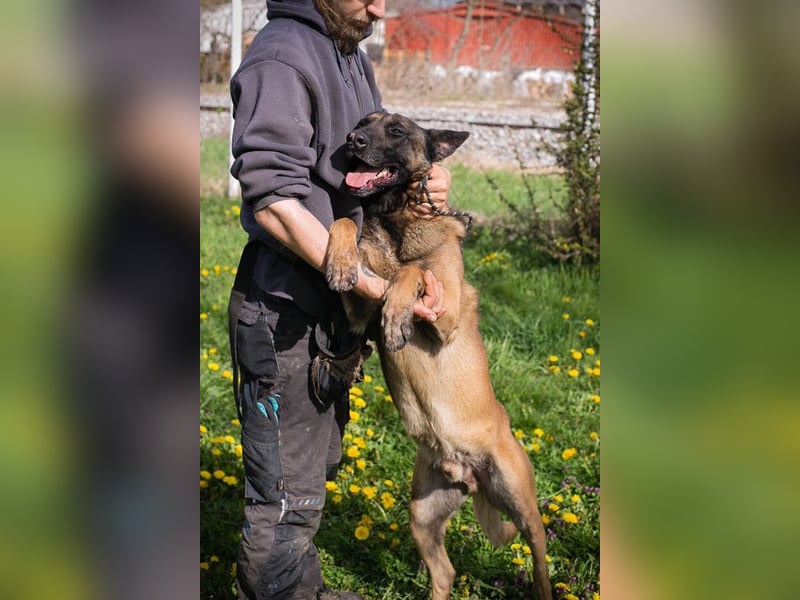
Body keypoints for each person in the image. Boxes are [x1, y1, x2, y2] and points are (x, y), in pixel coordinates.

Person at [227, 0, 453, 598]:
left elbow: (364, 167)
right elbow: (273, 199)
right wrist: (372, 286)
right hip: (284, 308)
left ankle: (301, 590)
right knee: (285, 493)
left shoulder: (346, 47)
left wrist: (426, 175)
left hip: (330, 316)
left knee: (315, 469)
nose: (379, 6)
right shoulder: (283, 56)